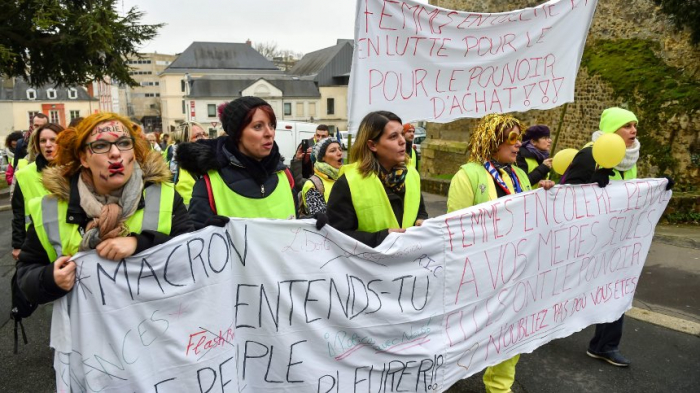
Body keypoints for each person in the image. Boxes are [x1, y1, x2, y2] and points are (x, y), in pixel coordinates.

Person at [16, 113, 192, 305]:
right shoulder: (50, 209)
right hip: (90, 329)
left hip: (154, 324)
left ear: (133, 152)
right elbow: (26, 276)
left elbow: (191, 256)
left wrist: (140, 244)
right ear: (83, 158)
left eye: (124, 143)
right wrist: (49, 279)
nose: (116, 153)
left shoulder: (163, 195)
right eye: (100, 146)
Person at [447, 113, 554, 393]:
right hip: (482, 271)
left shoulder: (519, 174)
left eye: (520, 138)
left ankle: (499, 387)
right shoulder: (467, 174)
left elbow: (531, 216)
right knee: (468, 335)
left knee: (512, 332)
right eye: (513, 138)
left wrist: (543, 193)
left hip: (515, 268)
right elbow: (455, 227)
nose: (519, 144)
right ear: (492, 140)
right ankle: (441, 377)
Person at [560, 107, 671, 367]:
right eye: (627, 126)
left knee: (617, 288)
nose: (633, 130)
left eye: (635, 125)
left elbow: (631, 192)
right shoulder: (589, 155)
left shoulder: (629, 157)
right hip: (585, 240)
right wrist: (592, 186)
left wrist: (658, 188)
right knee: (565, 287)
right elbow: (565, 195)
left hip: (616, 240)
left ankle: (604, 346)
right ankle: (535, 326)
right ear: (611, 130)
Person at [177, 96, 297, 229]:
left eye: (272, 125)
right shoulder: (209, 185)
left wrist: (312, 225)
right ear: (237, 134)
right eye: (258, 126)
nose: (269, 133)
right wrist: (206, 234)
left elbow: (294, 224)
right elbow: (195, 243)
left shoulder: (285, 175)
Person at [326, 111, 428, 247]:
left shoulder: (411, 174)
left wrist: (421, 220)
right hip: (369, 265)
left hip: (409, 263)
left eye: (402, 134)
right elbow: (335, 237)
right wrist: (382, 238)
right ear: (372, 145)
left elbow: (419, 209)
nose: (402, 141)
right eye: (393, 136)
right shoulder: (348, 183)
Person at [11, 123, 64, 261]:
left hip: (70, 241)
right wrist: (17, 244)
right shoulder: (25, 175)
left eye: (53, 140)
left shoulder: (76, 170)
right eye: (43, 141)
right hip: (37, 243)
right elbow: (18, 212)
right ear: (37, 145)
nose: (48, 145)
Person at [300, 137, 343, 215]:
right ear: (322, 158)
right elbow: (322, 219)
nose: (339, 153)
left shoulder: (343, 177)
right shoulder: (313, 185)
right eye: (333, 150)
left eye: (340, 149)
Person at [174, 121, 208, 206]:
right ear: (184, 141)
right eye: (197, 136)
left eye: (205, 134)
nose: (205, 138)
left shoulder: (214, 164)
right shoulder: (174, 170)